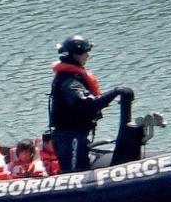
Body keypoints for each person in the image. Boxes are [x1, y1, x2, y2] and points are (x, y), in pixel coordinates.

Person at [48, 34, 133, 172]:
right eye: (86, 52)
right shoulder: (70, 83)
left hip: (74, 136)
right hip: (70, 138)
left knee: (80, 168)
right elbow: (87, 104)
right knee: (75, 174)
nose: (88, 56)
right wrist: (116, 92)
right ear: (76, 54)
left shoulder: (71, 77)